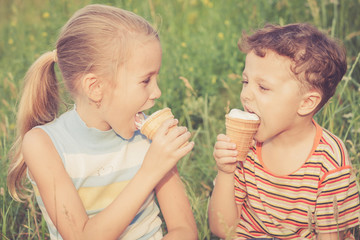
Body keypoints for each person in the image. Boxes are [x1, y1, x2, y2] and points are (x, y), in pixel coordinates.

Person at [7, 4, 197, 240]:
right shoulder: (43, 144)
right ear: (96, 88)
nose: (157, 92)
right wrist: (150, 170)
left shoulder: (149, 138)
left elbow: (185, 230)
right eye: (146, 80)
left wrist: (159, 161)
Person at [208, 23, 360, 239]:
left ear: (306, 103)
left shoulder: (329, 161)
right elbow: (223, 229)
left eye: (263, 87)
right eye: (245, 81)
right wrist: (225, 171)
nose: (245, 95)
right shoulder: (246, 148)